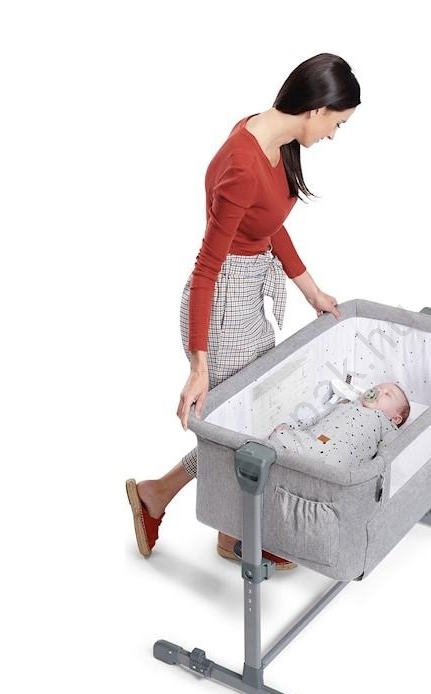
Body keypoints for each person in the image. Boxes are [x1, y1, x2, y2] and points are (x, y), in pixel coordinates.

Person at [126, 53, 361, 569]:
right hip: (224, 303)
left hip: (248, 292)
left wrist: (313, 292)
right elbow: (207, 267)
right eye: (338, 123)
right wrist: (199, 364)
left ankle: (167, 500)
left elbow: (271, 225)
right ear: (317, 109)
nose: (333, 135)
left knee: (256, 417)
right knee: (246, 425)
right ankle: (207, 520)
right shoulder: (243, 162)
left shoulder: (272, 139)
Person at [268, 382, 411, 468]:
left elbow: (387, 454)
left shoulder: (385, 424)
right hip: (314, 439)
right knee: (279, 435)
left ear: (395, 419)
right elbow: (316, 418)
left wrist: (372, 473)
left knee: (325, 465)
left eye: (387, 394)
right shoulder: (345, 404)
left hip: (338, 458)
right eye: (377, 387)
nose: (378, 391)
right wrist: (292, 427)